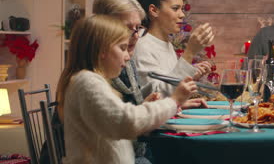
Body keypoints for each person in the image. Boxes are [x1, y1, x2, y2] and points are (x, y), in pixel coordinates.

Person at [57, 15, 196, 163]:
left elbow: (115, 127)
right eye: (122, 48)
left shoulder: (89, 81)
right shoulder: (87, 83)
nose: (127, 57)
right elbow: (126, 122)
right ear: (101, 50)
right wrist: (174, 101)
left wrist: (147, 107)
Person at [133, 0, 214, 98]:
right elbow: (156, 96)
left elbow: (170, 80)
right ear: (154, 10)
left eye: (182, 9)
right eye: (175, 8)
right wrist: (189, 52)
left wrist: (191, 72)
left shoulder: (166, 43)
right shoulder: (142, 45)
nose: (182, 15)